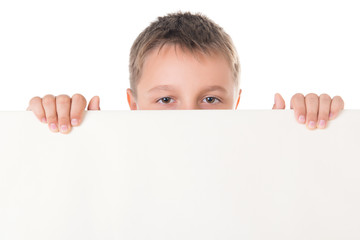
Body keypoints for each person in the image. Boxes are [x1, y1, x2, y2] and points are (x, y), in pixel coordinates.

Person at [26, 12, 344, 134]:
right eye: (165, 98)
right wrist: (55, 131)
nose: (190, 116)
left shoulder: (263, 166)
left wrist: (304, 140)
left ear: (235, 102)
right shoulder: (110, 170)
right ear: (133, 104)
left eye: (210, 98)